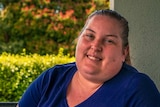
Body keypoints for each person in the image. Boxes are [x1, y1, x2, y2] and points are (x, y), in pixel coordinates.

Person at [17, 9, 160, 107]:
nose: (96, 46)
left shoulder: (138, 88)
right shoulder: (51, 78)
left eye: (109, 40)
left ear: (124, 52)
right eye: (90, 36)